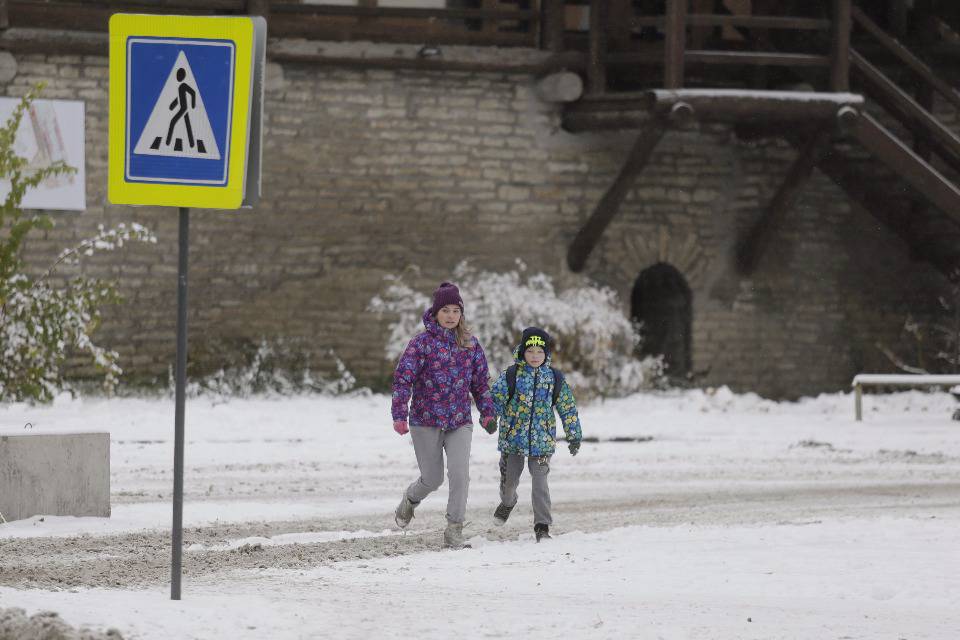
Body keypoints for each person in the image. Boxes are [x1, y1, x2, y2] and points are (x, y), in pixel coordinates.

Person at [391, 282, 497, 549]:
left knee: (460, 474)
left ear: (461, 314)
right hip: (425, 419)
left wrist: (487, 413)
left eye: (455, 311)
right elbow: (403, 379)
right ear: (436, 312)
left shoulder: (470, 345)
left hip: (459, 420)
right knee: (433, 478)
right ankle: (411, 499)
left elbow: (481, 383)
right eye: (445, 310)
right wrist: (399, 413)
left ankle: (454, 528)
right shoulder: (421, 344)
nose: (451, 316)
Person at [487, 327, 582, 542]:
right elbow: (496, 399)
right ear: (523, 352)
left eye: (540, 352)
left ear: (546, 354)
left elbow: (567, 407)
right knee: (510, 482)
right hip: (513, 441)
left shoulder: (554, 378)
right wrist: (491, 418)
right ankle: (508, 502)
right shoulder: (511, 375)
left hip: (542, 442)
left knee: (540, 483)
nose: (535, 356)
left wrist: (574, 434)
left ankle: (542, 526)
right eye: (530, 351)